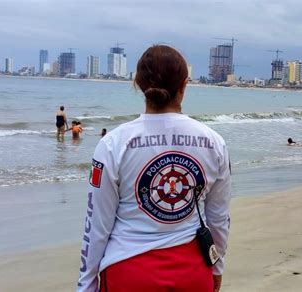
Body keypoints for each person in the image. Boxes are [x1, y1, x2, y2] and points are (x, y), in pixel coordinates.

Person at [77, 45, 231, 292]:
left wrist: (86, 285)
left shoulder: (113, 144)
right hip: (192, 273)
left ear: (137, 83)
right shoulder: (214, 143)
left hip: (128, 273)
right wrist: (216, 267)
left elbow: (97, 225)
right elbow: (219, 218)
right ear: (184, 84)